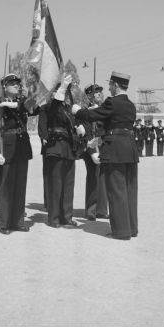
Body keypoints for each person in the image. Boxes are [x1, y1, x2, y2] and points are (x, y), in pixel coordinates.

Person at [73, 71, 138, 240]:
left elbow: (93, 116)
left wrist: (78, 111)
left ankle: (121, 231)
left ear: (116, 85)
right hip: (129, 148)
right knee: (130, 190)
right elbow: (112, 119)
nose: (108, 88)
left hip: (115, 148)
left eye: (110, 85)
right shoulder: (130, 104)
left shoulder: (112, 102)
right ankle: (131, 228)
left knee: (116, 190)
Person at [0, 74, 33, 235]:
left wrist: (29, 95)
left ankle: (18, 221)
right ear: (4, 86)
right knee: (5, 187)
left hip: (21, 146)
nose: (17, 86)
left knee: (20, 186)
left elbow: (34, 108)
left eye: (18, 83)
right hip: (5, 146)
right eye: (13, 83)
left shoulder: (22, 102)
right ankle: (4, 223)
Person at [38, 76, 80, 228]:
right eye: (62, 90)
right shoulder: (49, 106)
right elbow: (54, 108)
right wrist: (61, 89)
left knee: (69, 185)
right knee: (55, 184)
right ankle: (54, 218)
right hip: (55, 146)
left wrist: (80, 129)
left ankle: (67, 217)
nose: (65, 94)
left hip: (69, 147)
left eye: (67, 91)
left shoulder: (70, 110)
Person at [77, 83, 108, 221]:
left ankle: (102, 210)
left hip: (104, 147)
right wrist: (92, 151)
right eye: (96, 92)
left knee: (103, 179)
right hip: (92, 147)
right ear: (89, 95)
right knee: (93, 178)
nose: (99, 94)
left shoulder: (105, 110)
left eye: (100, 91)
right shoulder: (85, 111)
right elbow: (87, 132)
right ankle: (91, 210)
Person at [37, 102, 50, 210]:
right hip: (49, 144)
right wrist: (44, 138)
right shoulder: (45, 108)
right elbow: (42, 125)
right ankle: (49, 203)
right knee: (48, 175)